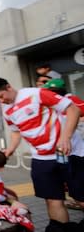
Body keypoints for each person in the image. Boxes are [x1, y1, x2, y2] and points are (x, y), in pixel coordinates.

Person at [0, 77, 81, 229]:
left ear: (9, 87)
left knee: (81, 197)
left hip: (66, 154)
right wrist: (10, 150)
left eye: (1, 96)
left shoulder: (36, 94)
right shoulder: (7, 110)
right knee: (52, 200)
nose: (1, 101)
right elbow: (16, 133)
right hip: (41, 159)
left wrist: (65, 137)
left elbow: (73, 109)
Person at [42, 78, 84, 211]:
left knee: (79, 188)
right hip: (61, 153)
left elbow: (80, 112)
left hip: (76, 153)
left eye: (54, 91)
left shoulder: (70, 100)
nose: (53, 94)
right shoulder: (51, 106)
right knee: (70, 186)